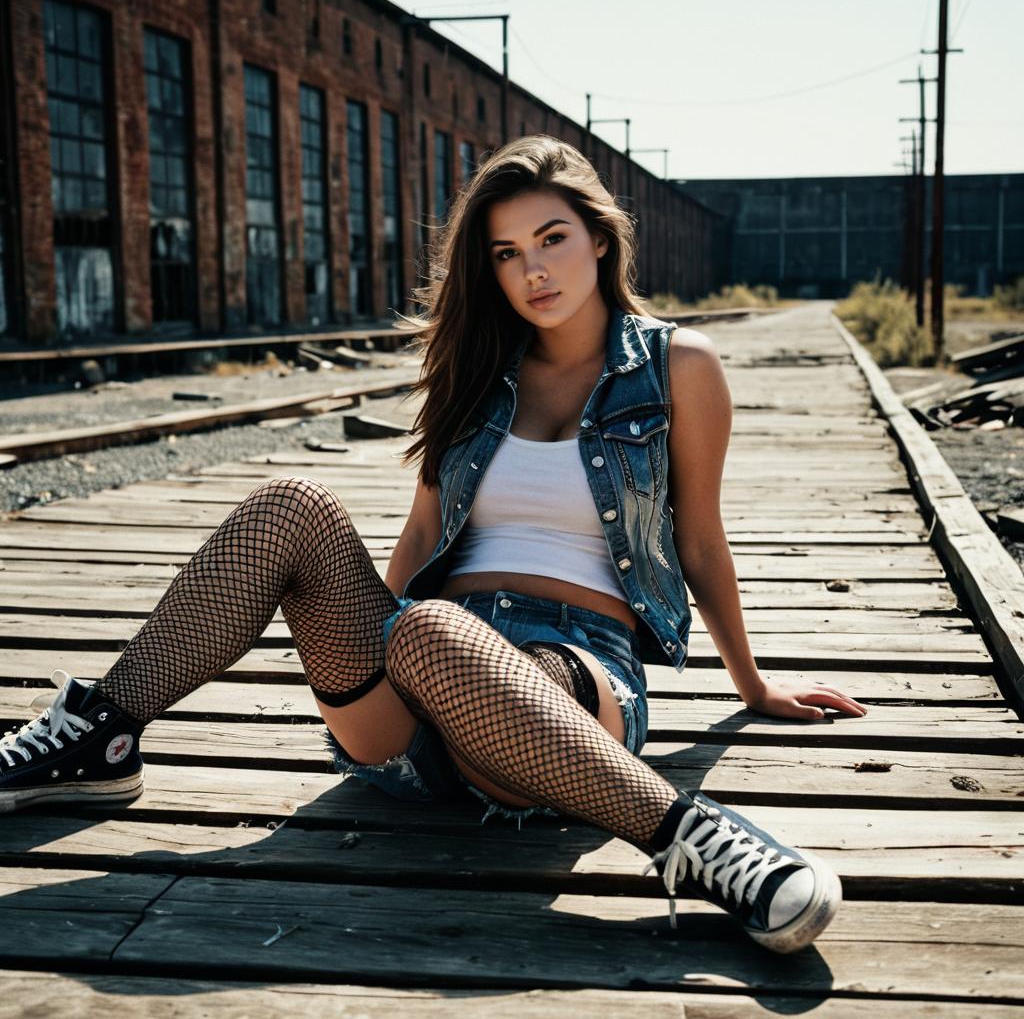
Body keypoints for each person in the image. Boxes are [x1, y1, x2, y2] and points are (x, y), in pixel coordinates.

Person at [0, 135, 867, 954]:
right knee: (292, 507)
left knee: (431, 631)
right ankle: (99, 735)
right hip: (417, 705)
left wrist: (753, 685)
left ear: (601, 240)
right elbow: (422, 531)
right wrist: (372, 639)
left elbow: (700, 540)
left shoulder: (680, 367)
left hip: (570, 686)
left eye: (552, 239)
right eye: (506, 253)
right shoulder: (475, 367)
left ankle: (694, 841)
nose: (532, 270)